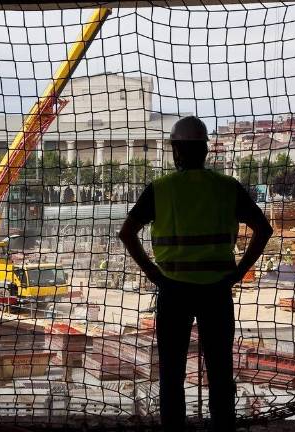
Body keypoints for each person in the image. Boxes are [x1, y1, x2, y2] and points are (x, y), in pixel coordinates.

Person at [118, 116, 273, 432]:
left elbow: (127, 233)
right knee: (220, 373)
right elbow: (263, 229)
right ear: (205, 150)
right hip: (216, 291)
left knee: (172, 375)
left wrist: (153, 273)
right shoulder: (226, 187)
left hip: (173, 291)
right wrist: (239, 271)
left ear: (175, 149)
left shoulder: (160, 190)